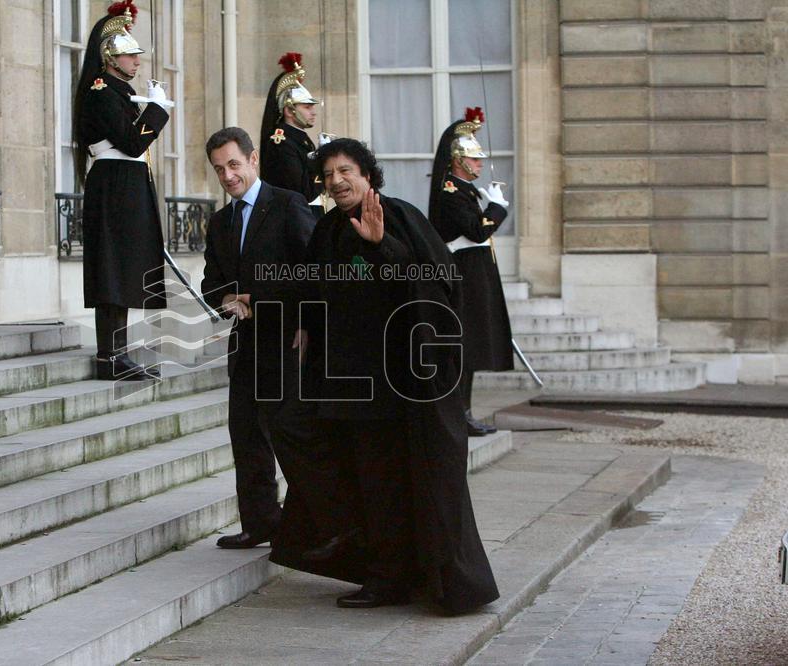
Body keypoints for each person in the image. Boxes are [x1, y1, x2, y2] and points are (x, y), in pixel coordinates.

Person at [270, 138, 499, 614]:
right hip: (339, 379)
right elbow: (315, 286)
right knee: (304, 438)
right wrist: (300, 324)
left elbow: (437, 283)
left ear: (368, 174)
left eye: (346, 170)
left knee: (384, 481)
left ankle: (391, 576)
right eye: (329, 173)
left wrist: (383, 247)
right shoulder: (327, 228)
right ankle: (355, 550)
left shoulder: (399, 216)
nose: (337, 180)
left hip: (394, 381)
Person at [200, 127, 316, 549]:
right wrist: (226, 300)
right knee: (246, 438)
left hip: (287, 342)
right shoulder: (220, 221)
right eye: (219, 169)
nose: (228, 176)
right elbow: (212, 279)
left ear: (253, 160)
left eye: (233, 164)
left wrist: (263, 299)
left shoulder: (288, 205)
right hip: (245, 345)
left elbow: (310, 271)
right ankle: (260, 523)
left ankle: (311, 527)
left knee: (291, 439)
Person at [72, 0, 172, 381]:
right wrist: (158, 111)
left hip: (126, 184)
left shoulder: (121, 93)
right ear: (110, 58)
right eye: (130, 55)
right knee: (112, 271)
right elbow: (132, 143)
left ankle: (118, 352)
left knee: (126, 269)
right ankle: (108, 356)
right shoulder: (102, 91)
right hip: (114, 185)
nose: (137, 61)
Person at [428, 108, 514, 436]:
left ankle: (466, 411)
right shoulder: (451, 192)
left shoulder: (466, 191)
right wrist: (498, 209)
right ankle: (459, 413)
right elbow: (477, 232)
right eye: (474, 159)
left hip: (477, 275)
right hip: (465, 274)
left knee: (472, 347)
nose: (479, 164)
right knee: (463, 349)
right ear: (459, 160)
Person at [259, 52, 325, 215]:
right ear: (289, 110)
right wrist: (322, 158)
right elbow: (304, 191)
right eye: (307, 107)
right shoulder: (281, 142)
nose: (313, 112)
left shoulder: (299, 138)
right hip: (295, 216)